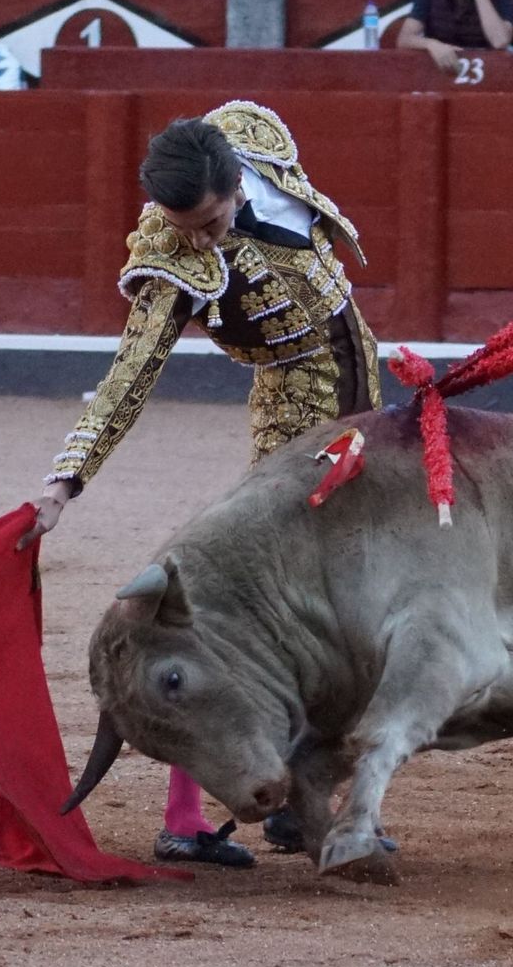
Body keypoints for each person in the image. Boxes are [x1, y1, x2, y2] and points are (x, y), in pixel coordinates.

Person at [27, 102, 384, 868]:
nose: (199, 238)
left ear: (237, 181)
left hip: (363, 407)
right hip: (296, 428)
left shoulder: (256, 136)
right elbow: (130, 375)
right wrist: (66, 481)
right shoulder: (172, 256)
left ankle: (298, 805)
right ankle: (193, 817)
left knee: (351, 608)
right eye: (183, 224)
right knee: (286, 621)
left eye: (213, 222)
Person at [396, 0, 513, 75]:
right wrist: (432, 45)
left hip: (487, 73)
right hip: (440, 71)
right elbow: (404, 38)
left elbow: (500, 41)